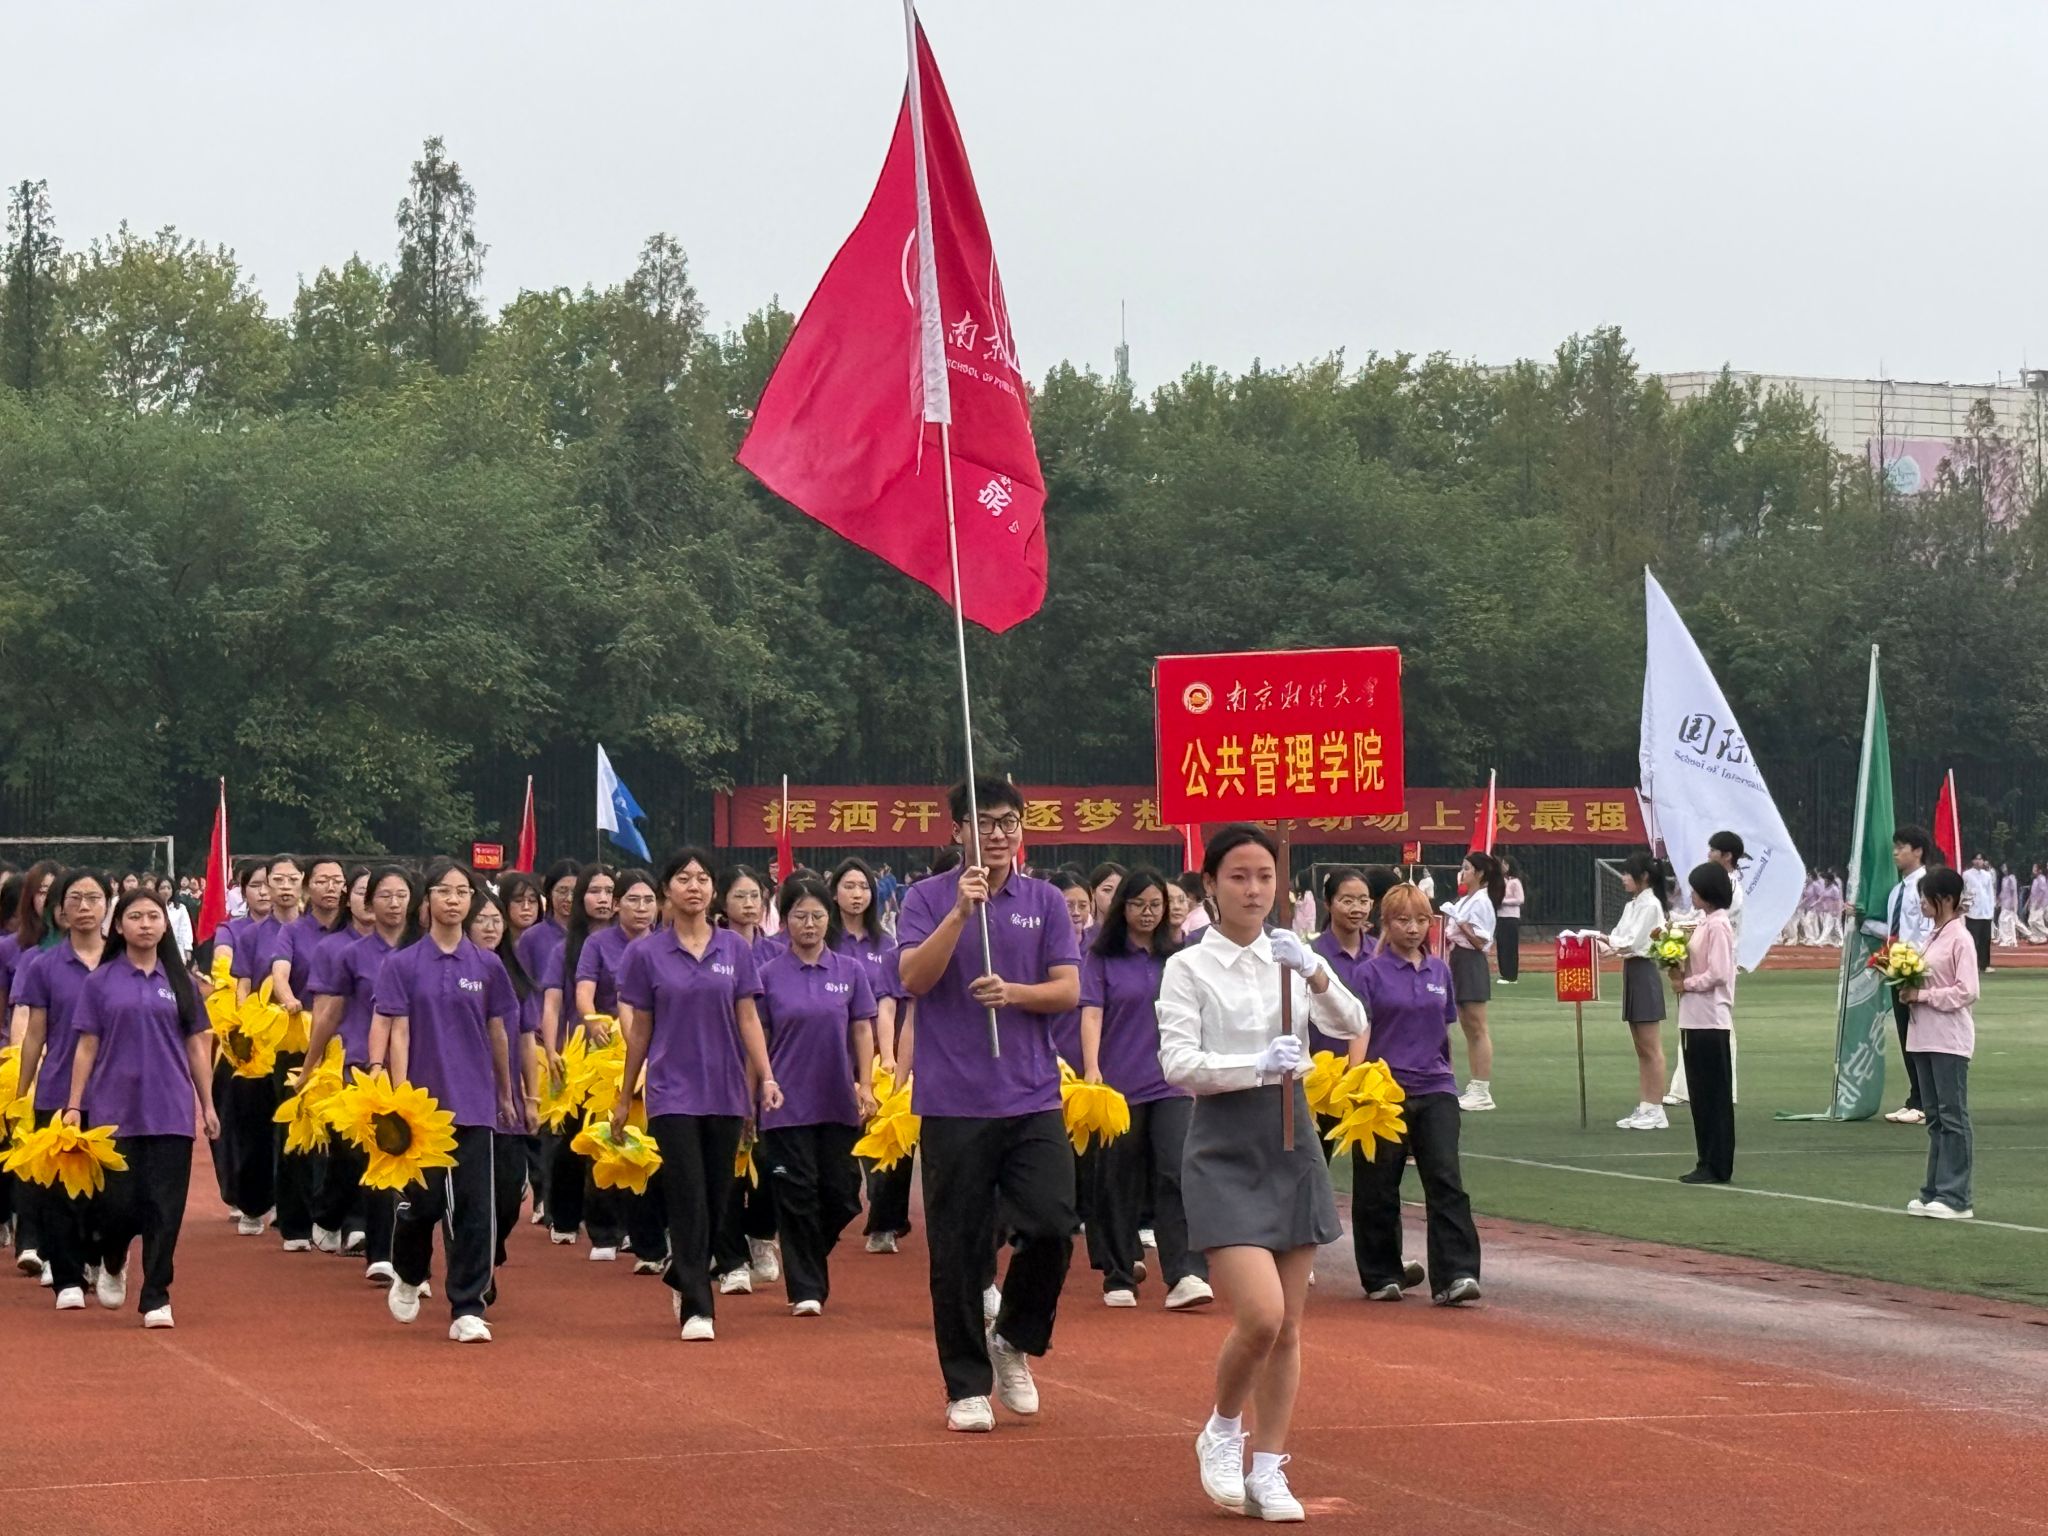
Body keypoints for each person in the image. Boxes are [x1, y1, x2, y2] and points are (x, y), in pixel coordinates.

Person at [1158, 824, 1368, 1520]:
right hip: (1222, 1144)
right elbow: (1178, 1063)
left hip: (1291, 1139)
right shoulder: (1188, 966)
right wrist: (1254, 1065)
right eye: (1238, 876)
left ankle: (1270, 1468)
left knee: (1290, 1327)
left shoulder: (1291, 956)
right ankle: (1222, 1428)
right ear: (1210, 885)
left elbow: (1351, 1020)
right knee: (1261, 1316)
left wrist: (1314, 970)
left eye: (1265, 877)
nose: (1253, 890)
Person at [896, 777, 1080, 1434]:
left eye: (1008, 822)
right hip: (954, 1100)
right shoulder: (925, 898)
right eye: (983, 822)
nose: (997, 834)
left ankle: (1014, 1337)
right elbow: (913, 978)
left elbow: (1068, 989)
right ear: (957, 830)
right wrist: (957, 913)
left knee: (1054, 1223)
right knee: (957, 1246)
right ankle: (966, 1386)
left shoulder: (1045, 901)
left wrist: (1015, 994)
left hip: (1031, 1094)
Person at [613, 848, 781, 1341]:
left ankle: (680, 1271)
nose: (694, 886)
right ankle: (697, 1306)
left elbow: (748, 1018)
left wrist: (767, 1077)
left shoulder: (735, 949)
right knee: (687, 1195)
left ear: (713, 890)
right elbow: (640, 1029)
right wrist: (625, 1095)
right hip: (672, 1091)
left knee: (717, 1196)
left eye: (702, 878)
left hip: (726, 1089)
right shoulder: (646, 954)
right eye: (684, 878)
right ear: (667, 889)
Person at [371, 859, 517, 1342]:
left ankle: (467, 1306)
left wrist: (506, 1091)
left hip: (474, 1101)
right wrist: (398, 1095)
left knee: (475, 1209)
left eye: (462, 892)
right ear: (427, 899)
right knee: (424, 1203)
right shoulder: (403, 965)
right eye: (444, 891)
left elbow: (498, 1030)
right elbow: (396, 1029)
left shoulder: (487, 965)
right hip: (422, 1106)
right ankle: (410, 1271)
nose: (453, 900)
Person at [59, 886, 218, 1327]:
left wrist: (207, 1105)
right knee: (117, 1204)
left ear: (166, 925)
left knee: (165, 1208)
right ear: (119, 926)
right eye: (135, 917)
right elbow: (86, 1046)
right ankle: (113, 1257)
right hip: (114, 1110)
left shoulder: (181, 984)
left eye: (153, 916)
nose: (145, 924)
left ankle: (156, 1295)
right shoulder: (100, 982)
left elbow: (196, 1047)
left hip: (170, 1109)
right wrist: (74, 1104)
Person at [1347, 881, 1481, 1306]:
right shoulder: (1368, 974)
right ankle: (1381, 1273)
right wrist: (1357, 1087)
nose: (1413, 928)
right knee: (1378, 1185)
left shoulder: (1439, 971)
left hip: (1435, 1087)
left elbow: (1444, 1032)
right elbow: (1360, 1030)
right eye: (1403, 920)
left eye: (1422, 920)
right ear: (1386, 923)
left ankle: (1456, 1274)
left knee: (1445, 1180)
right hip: (1384, 1092)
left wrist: (1450, 1080)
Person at [1080, 867, 1209, 1311]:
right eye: (1138, 904)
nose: (1148, 913)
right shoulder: (1102, 957)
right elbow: (1092, 1013)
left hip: (1173, 1081)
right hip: (1119, 1084)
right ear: (1123, 908)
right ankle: (1119, 1273)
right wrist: (1092, 1068)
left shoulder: (1181, 957)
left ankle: (1186, 1272)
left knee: (1177, 1170)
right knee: (1119, 1177)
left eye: (1156, 904)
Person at [751, 873, 876, 1314]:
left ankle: (803, 1254)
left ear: (829, 919)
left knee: (843, 1193)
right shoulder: (767, 975)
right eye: (800, 916)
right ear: (784, 920)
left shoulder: (850, 971)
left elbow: (862, 1029)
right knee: (797, 1192)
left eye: (818, 916)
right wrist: (754, 1092)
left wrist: (866, 1084)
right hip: (786, 1102)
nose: (809, 924)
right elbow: (757, 1038)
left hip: (837, 1099)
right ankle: (806, 1288)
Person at [303, 865, 414, 1282]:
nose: (393, 903)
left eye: (401, 895)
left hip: (418, 1065)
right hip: (363, 1066)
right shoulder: (352, 955)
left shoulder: (422, 953)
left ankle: (400, 1242)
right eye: (384, 895)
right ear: (367, 904)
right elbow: (329, 1013)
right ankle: (381, 1252)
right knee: (373, 1154)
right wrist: (311, 1066)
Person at [11, 870, 113, 1307]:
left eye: (93, 897)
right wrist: (22, 1090)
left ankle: (98, 1256)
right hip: (57, 1090)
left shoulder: (123, 961)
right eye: (75, 898)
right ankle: (68, 1276)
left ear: (108, 905)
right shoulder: (44, 966)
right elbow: (35, 1032)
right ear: (60, 909)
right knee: (59, 1191)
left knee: (109, 1193)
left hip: (114, 1093)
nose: (84, 907)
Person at [264, 855, 347, 1254]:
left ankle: (336, 1216)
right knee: (295, 1132)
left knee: (342, 1133)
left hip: (343, 1044)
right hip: (299, 1041)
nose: (331, 887)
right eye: (323, 880)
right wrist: (289, 999)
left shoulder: (352, 932)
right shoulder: (293, 932)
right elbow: (279, 973)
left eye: (337, 880)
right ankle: (295, 1222)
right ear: (307, 886)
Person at [828, 858, 912, 1255]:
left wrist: (890, 1055)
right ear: (834, 893)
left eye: (864, 887)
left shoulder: (887, 945)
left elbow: (890, 1004)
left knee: (890, 1139)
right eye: (849, 886)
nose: (857, 894)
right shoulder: (825, 941)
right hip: (831, 1055)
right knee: (841, 1147)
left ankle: (885, 1223)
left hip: (879, 1055)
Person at [544, 864, 624, 1255]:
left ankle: (614, 1224)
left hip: (628, 1052)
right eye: (595, 891)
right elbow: (553, 1002)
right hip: (582, 1050)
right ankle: (563, 1213)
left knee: (620, 1135)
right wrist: (551, 1050)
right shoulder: (566, 949)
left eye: (610, 891)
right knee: (575, 1138)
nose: (603, 899)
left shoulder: (635, 942)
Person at [713, 862, 783, 1290]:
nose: (749, 903)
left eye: (755, 895)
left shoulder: (776, 953)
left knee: (768, 1163)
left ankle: (760, 1235)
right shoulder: (713, 948)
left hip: (771, 1069)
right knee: (726, 1166)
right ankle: (730, 1257)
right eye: (739, 896)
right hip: (720, 1068)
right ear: (723, 901)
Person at [1896, 867, 1977, 1220]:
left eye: (1926, 898)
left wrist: (1924, 995)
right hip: (1923, 1036)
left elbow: (1967, 990)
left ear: (1945, 899)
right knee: (1935, 1118)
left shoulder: (1961, 938)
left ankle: (1956, 1196)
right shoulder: (1933, 936)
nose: (1922, 904)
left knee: (1952, 1116)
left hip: (1948, 1039)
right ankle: (1934, 1190)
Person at [1666, 830, 1748, 1109]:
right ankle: (1687, 1087)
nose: (1709, 854)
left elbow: (1705, 920)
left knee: (1719, 1027)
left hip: (1718, 962)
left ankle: (1723, 1088)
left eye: (1713, 850)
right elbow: (1694, 916)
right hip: (1702, 961)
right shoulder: (1714, 885)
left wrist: (1675, 929)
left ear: (1727, 856)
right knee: (1696, 1024)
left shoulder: (1731, 889)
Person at [1671, 862, 1736, 1185]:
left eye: (1696, 889)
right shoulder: (1704, 922)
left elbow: (1719, 973)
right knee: (1700, 1094)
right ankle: (1705, 1158)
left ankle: (1717, 1162)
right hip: (1694, 1018)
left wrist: (1687, 983)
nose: (1692, 894)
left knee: (1714, 1095)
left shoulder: (1718, 925)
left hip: (1710, 1018)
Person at [1600, 853, 1672, 1131]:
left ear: (1644, 877)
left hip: (1644, 971)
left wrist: (1605, 940)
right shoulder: (1632, 905)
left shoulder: (1650, 905)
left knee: (1651, 1047)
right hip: (1631, 971)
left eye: (1628, 873)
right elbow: (1618, 938)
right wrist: (1597, 943)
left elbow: (1630, 941)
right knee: (1641, 1047)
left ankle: (1656, 1108)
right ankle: (1645, 1105)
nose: (1623, 878)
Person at [1875, 827, 1934, 1126]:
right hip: (1898, 970)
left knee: (1920, 1040)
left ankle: (1925, 1103)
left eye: (1902, 847)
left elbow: (1927, 932)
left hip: (1917, 972)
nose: (1896, 853)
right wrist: (1859, 917)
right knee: (1906, 1038)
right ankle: (1915, 1098)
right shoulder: (1897, 891)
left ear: (1918, 851)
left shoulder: (1926, 886)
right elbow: (1891, 931)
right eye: (1895, 847)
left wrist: (1915, 966)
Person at [1443, 852, 1501, 1112]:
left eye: (1466, 868)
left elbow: (1481, 942)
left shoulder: (1482, 901)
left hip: (1470, 961)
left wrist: (1460, 922)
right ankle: (1474, 1087)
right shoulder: (1468, 898)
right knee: (1467, 1026)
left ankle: (1482, 1089)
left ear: (1479, 873)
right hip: (1457, 959)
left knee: (1477, 1027)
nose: (1462, 873)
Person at [1962, 854, 1995, 975]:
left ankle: (1985, 965)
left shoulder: (1987, 875)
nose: (1978, 861)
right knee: (1973, 940)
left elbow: (1990, 893)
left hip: (1985, 912)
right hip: (1972, 913)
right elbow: (1963, 891)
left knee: (1985, 940)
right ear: (1972, 861)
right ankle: (1972, 964)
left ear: (1983, 861)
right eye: (1976, 859)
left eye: (1980, 859)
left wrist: (1991, 909)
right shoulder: (1966, 874)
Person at [1496, 857, 1524, 982]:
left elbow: (1520, 899)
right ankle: (1504, 973)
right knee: (1501, 945)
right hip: (1501, 916)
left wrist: (1503, 901)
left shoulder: (1515, 882)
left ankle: (1511, 975)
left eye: (1504, 864)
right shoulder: (1501, 881)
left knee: (1510, 946)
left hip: (1511, 917)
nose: (1502, 867)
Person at [1085, 862, 1126, 930]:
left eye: (1120, 890)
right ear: (1092, 893)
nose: (1114, 896)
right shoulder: (1082, 933)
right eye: (1107, 890)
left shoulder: (1133, 933)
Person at [1995, 863, 2020, 951]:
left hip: (2010, 903)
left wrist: (2013, 903)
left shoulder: (2011, 878)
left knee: (2005, 920)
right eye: (2002, 868)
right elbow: (2003, 892)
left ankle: (2009, 940)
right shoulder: (2004, 879)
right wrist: (1999, 900)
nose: (2003, 869)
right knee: (2008, 921)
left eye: (2005, 867)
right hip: (2004, 903)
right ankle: (2011, 940)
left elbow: (2013, 891)